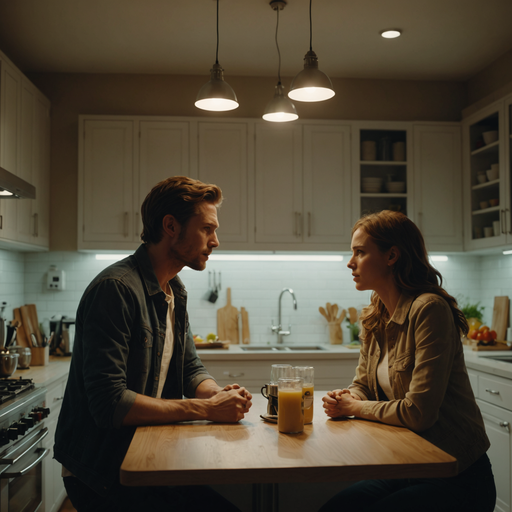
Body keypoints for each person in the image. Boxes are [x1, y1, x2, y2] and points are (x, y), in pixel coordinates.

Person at [54, 176, 252, 512]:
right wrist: (205, 410)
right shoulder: (116, 289)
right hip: (103, 472)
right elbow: (109, 403)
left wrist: (216, 394)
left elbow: (189, 367)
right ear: (171, 226)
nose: (215, 241)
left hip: (148, 455)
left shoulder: (174, 289)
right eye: (207, 228)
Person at [320, 210, 496, 512]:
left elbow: (419, 413)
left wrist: (354, 407)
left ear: (392, 256)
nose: (351, 262)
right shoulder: (375, 314)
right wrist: (348, 396)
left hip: (455, 474)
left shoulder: (430, 310)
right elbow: (363, 384)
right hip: (407, 465)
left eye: (360, 252)